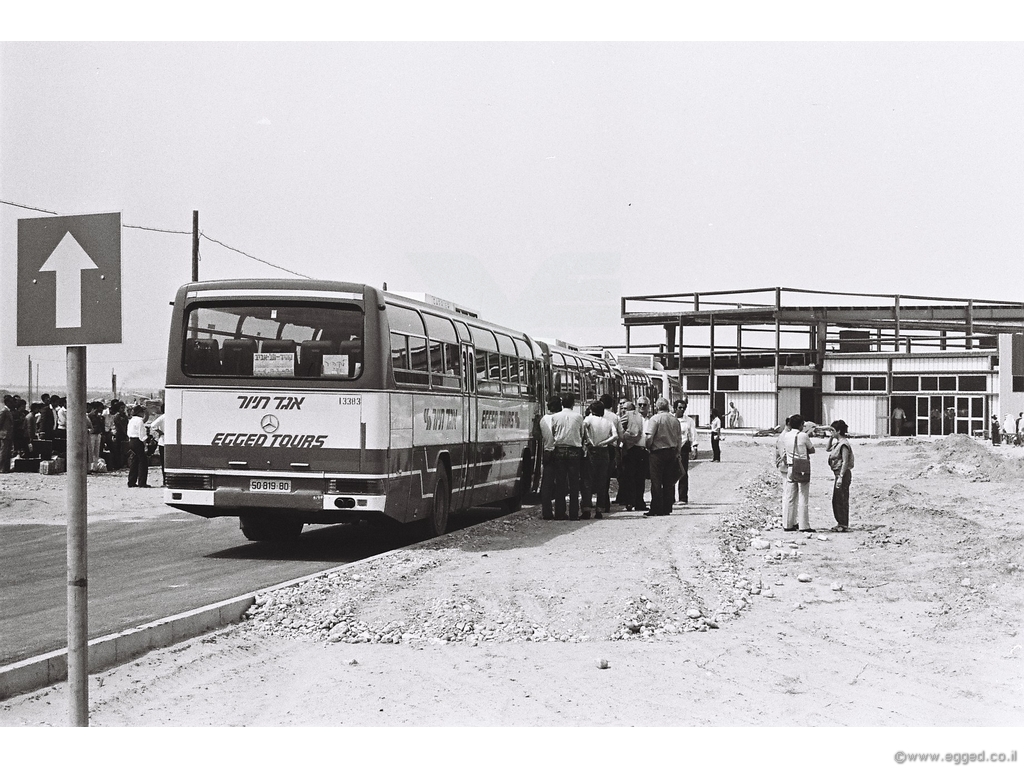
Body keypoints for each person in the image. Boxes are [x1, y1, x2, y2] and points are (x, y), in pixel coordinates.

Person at [642, 397, 682, 517]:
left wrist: (648, 447)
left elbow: (649, 437)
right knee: (668, 481)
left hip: (657, 452)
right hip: (671, 451)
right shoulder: (675, 420)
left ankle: (656, 508)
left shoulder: (655, 419)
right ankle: (667, 507)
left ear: (657, 406)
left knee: (656, 481)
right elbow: (679, 438)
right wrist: (677, 452)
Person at [550, 393, 585, 521]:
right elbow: (581, 434)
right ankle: (574, 513)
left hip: (559, 450)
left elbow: (553, 433)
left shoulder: (555, 417)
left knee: (560, 483)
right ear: (573, 404)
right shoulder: (579, 417)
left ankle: (560, 512)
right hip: (574, 450)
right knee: (574, 483)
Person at [778, 413, 816, 532]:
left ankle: (788, 524)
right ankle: (804, 525)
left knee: (790, 497)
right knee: (803, 496)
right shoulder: (803, 436)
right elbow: (812, 450)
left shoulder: (786, 436)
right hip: (802, 467)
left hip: (790, 467)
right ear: (801, 425)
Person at [583, 400, 616, 519]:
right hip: (604, 452)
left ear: (592, 410)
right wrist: (604, 442)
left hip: (592, 451)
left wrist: (589, 440)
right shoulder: (608, 422)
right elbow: (615, 436)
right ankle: (599, 510)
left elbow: (583, 428)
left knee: (588, 480)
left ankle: (586, 509)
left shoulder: (589, 419)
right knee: (602, 481)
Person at [619, 400, 647, 512]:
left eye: (644, 405)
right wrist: (625, 437)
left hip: (644, 450)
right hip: (632, 450)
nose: (642, 407)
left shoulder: (651, 418)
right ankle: (630, 502)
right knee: (630, 477)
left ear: (649, 406)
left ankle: (639, 502)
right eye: (640, 404)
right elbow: (618, 426)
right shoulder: (630, 415)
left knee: (641, 478)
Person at [538, 395, 562, 520]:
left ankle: (546, 512)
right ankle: (559, 511)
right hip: (559, 452)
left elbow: (538, 435)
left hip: (547, 452)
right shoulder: (560, 418)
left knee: (546, 485)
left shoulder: (543, 419)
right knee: (560, 484)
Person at [827, 420, 854, 532]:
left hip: (842, 474)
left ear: (838, 431)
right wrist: (831, 437)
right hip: (838, 474)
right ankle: (840, 522)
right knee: (837, 499)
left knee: (841, 499)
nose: (831, 433)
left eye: (833, 431)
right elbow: (828, 448)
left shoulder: (844, 444)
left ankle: (843, 524)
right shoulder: (838, 443)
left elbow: (845, 462)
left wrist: (841, 477)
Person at [673, 399, 697, 506]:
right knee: (670, 473)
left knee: (683, 473)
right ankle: (670, 497)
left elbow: (693, 434)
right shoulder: (671, 419)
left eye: (684, 408)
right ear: (675, 408)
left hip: (683, 448)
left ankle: (683, 497)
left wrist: (694, 447)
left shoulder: (689, 421)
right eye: (680, 408)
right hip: (671, 449)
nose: (682, 410)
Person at [126, 404, 151, 488]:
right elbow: (142, 434)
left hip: (131, 440)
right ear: (140, 412)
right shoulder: (139, 421)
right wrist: (145, 445)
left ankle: (131, 481)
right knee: (143, 462)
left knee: (134, 461)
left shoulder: (132, 420)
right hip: (138, 441)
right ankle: (142, 482)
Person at [149, 404, 167, 486]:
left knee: (164, 463)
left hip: (163, 442)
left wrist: (160, 432)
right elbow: (152, 425)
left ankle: (165, 481)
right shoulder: (165, 417)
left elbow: (153, 426)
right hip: (167, 442)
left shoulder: (162, 417)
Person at [0, 396, 12, 473]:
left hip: (8, 435)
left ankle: (5, 468)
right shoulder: (4, 411)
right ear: (7, 402)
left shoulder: (8, 411)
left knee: (7, 452)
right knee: (3, 452)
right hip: (4, 435)